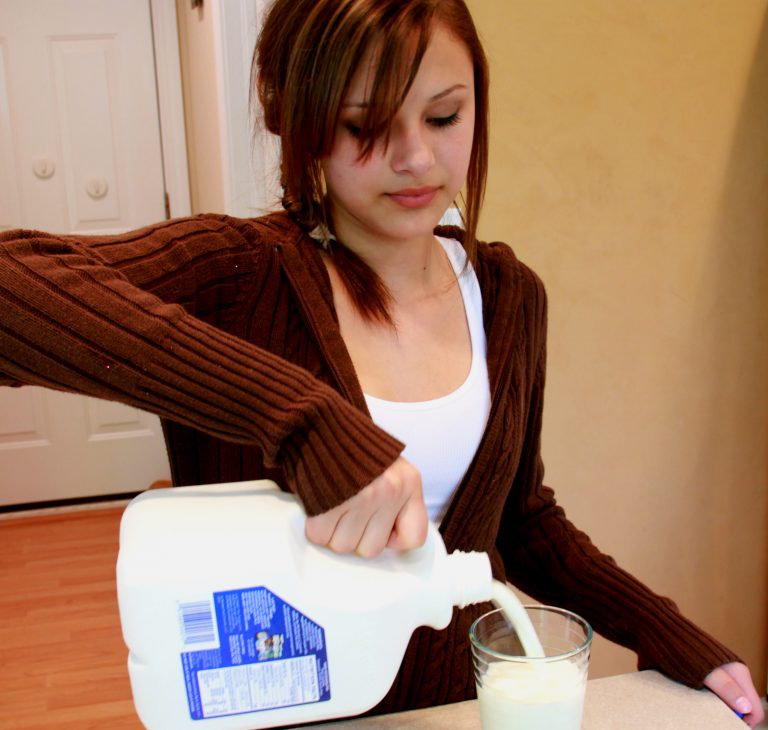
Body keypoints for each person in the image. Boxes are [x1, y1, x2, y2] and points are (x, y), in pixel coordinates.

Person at [0, 0, 763, 725]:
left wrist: (665, 634)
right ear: (297, 119)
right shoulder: (236, 276)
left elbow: (524, 523)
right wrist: (298, 417)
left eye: (444, 116)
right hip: (270, 711)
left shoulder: (510, 296)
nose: (416, 158)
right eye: (364, 125)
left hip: (454, 712)